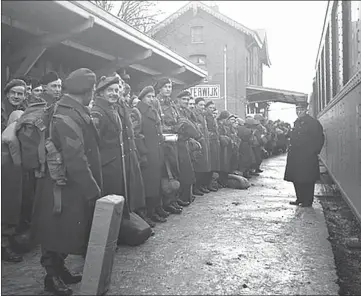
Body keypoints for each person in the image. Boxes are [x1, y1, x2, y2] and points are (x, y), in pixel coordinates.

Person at [32, 68, 102, 295]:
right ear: (87, 90)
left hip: (65, 182)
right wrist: (92, 189)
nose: (93, 94)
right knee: (55, 230)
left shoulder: (65, 109)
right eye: (92, 89)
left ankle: (59, 270)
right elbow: (75, 157)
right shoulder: (68, 113)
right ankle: (51, 278)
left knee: (62, 229)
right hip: (62, 184)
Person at [1, 79, 27, 263]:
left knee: (13, 202)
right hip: (4, 161)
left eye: (20, 93)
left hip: (15, 161)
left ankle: (8, 239)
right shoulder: (3, 111)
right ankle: (3, 245)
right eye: (14, 93)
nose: (17, 96)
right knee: (5, 202)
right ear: (7, 93)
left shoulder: (23, 111)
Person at [91, 75, 125, 205]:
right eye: (110, 90)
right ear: (100, 92)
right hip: (105, 166)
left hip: (115, 163)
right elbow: (94, 142)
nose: (114, 94)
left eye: (116, 90)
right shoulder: (97, 112)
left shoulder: (111, 109)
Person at [284, 101, 325, 207]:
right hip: (295, 156)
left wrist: (313, 151)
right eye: (297, 110)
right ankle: (299, 198)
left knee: (307, 179)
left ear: (306, 110)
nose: (298, 112)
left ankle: (307, 201)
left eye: (301, 110)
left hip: (307, 156)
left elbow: (320, 138)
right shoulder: (297, 122)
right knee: (296, 178)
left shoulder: (313, 123)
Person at [136, 86, 165, 225]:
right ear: (142, 97)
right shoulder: (138, 111)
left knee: (155, 183)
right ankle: (145, 214)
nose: (151, 99)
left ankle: (153, 211)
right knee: (147, 185)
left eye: (153, 96)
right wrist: (143, 154)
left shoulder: (153, 110)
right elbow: (138, 135)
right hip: (147, 153)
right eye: (148, 97)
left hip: (156, 152)